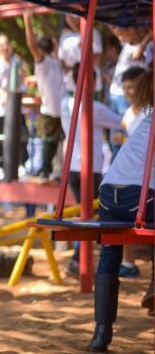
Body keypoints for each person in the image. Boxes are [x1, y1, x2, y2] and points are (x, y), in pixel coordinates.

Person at [87, 69, 154, 353]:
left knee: (110, 251)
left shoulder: (145, 119)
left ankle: (101, 333)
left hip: (108, 193)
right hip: (138, 197)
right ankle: (153, 286)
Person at [61, 64, 122, 278]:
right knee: (92, 216)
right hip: (91, 166)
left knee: (83, 214)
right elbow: (122, 122)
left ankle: (78, 259)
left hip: (72, 166)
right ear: (94, 81)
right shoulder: (95, 107)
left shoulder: (64, 104)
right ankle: (78, 259)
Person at [23, 12, 66, 179]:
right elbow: (33, 44)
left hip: (55, 107)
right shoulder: (50, 61)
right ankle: (48, 170)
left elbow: (32, 44)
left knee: (53, 140)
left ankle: (49, 170)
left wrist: (27, 19)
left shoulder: (49, 61)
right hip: (57, 106)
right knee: (53, 140)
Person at [117, 65, 147, 279]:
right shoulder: (128, 114)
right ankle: (128, 262)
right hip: (133, 175)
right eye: (125, 88)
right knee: (121, 214)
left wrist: (125, 140)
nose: (128, 93)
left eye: (133, 88)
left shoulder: (149, 111)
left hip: (147, 174)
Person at [0, 33, 27, 170]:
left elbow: (23, 81)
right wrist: (4, 95)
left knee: (22, 134)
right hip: (1, 107)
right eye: (1, 45)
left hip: (16, 106)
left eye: (7, 44)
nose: (5, 47)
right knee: (0, 136)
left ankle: (22, 163)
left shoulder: (16, 62)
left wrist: (20, 91)